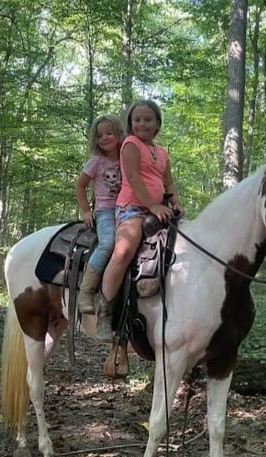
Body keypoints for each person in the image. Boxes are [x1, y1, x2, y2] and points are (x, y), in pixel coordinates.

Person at [96, 99, 184, 341]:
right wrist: (152, 205)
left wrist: (175, 202)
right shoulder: (130, 144)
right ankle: (104, 310)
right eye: (137, 120)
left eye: (148, 119)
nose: (142, 123)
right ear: (131, 124)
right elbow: (133, 177)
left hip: (158, 210)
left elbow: (169, 183)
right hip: (131, 209)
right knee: (124, 250)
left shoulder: (163, 152)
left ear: (157, 124)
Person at [73, 114, 126, 314]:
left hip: (127, 209)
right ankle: (86, 290)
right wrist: (86, 210)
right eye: (99, 135)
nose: (104, 138)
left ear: (119, 134)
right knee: (109, 242)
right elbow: (80, 186)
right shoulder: (96, 161)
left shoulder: (126, 157)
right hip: (105, 210)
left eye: (109, 133)